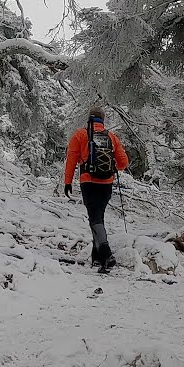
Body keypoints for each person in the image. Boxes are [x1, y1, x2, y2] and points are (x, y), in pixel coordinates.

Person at [61, 106, 129, 269]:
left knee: (95, 217)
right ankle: (97, 256)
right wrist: (111, 168)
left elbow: (71, 159)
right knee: (98, 216)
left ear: (89, 119)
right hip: (106, 183)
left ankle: (106, 254)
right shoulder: (111, 137)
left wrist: (68, 182)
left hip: (88, 182)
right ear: (102, 120)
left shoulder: (80, 135)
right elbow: (123, 163)